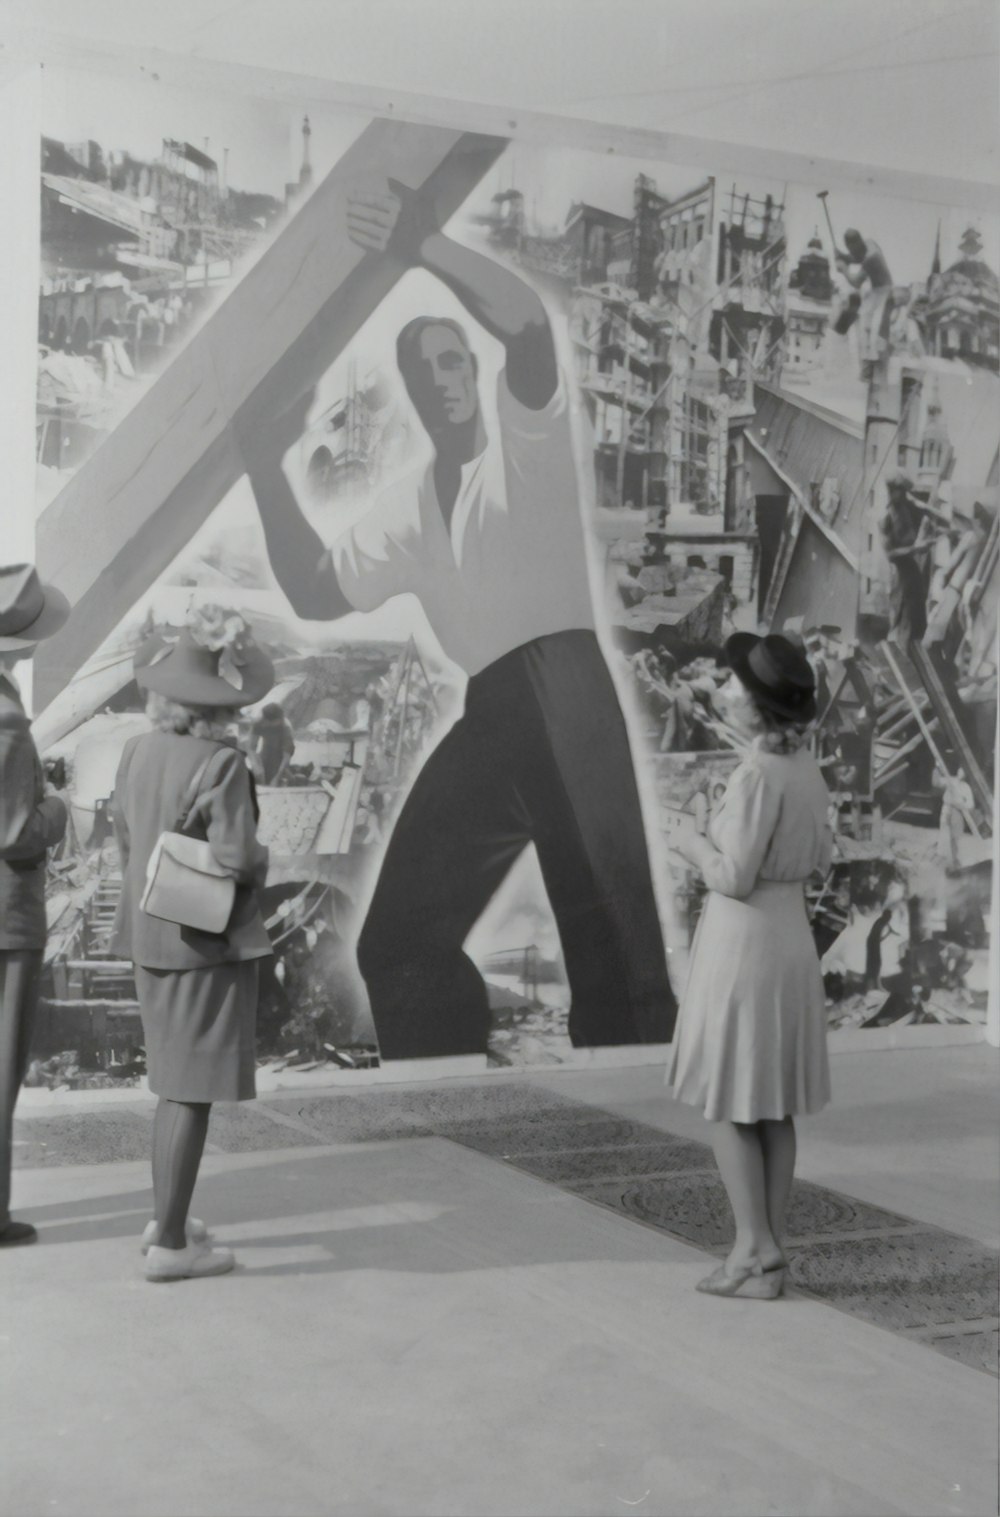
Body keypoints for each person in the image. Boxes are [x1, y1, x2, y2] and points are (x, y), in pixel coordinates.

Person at [239, 177, 675, 1060]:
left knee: (618, 968)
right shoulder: (408, 509)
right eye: (420, 370)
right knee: (397, 940)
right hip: (497, 711)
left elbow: (527, 326)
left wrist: (420, 241)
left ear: (472, 373)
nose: (439, 381)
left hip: (567, 694)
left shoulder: (525, 444)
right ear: (406, 388)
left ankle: (649, 1145)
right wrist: (264, 468)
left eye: (450, 363)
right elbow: (316, 590)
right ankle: (451, 1101)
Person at [110, 607, 275, 1281]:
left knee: (170, 1084)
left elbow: (126, 841)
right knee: (189, 1091)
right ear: (222, 703)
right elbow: (237, 857)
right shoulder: (223, 763)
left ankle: (164, 1218)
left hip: (147, 931)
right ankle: (172, 1245)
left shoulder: (135, 751)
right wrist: (264, 855)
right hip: (202, 943)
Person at [665, 633, 832, 1299]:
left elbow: (731, 876)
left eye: (735, 683)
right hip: (788, 935)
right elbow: (818, 855)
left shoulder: (759, 772)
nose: (725, 689)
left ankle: (750, 1247)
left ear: (758, 708)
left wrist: (688, 840)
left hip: (744, 945)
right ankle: (768, 1259)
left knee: (729, 1100)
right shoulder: (805, 769)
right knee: (771, 1104)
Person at [0, 565, 71, 1246]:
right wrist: (58, 807)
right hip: (5, 915)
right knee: (1, 1066)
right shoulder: (8, 717)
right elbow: (18, 833)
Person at [880, 473, 933, 645]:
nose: (904, 495)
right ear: (892, 492)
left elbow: (925, 512)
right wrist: (914, 549)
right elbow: (890, 554)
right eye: (901, 491)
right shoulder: (886, 518)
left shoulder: (906, 507)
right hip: (900, 575)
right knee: (905, 621)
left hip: (912, 572)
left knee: (918, 619)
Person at [251, 702, 296, 785]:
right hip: (265, 753)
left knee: (281, 779)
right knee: (258, 778)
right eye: (265, 721)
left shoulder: (285, 728)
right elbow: (251, 747)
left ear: (278, 720)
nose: (266, 723)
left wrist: (277, 778)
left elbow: (286, 756)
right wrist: (255, 763)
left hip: (279, 758)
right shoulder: (259, 723)